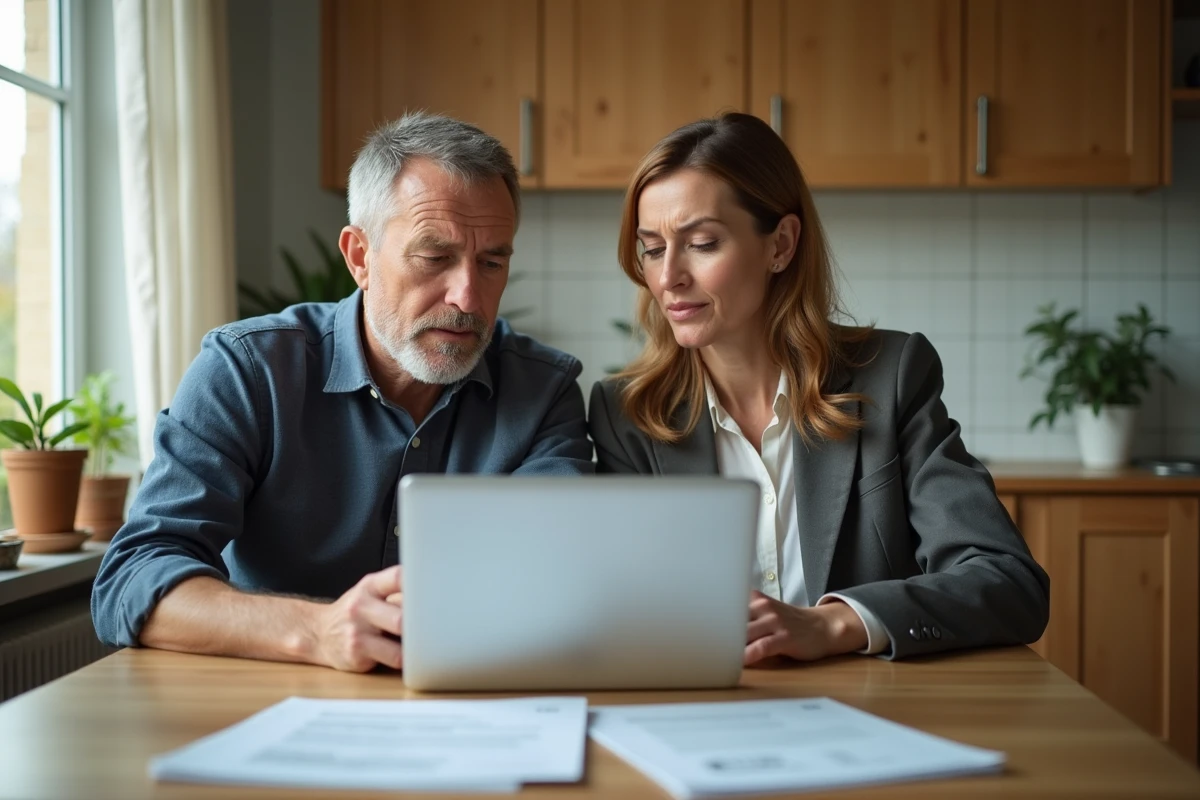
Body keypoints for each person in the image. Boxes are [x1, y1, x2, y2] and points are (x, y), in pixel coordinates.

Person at [93, 113, 593, 672]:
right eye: (434, 257)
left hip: (469, 703)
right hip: (261, 706)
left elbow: (559, 574)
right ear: (359, 257)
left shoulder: (544, 392)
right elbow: (131, 580)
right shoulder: (248, 372)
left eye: (492, 261)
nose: (469, 297)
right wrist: (317, 631)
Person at [588, 112, 1049, 664]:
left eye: (703, 243)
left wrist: (834, 623)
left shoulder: (892, 376)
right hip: (708, 716)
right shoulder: (627, 414)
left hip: (874, 713)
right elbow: (617, 609)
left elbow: (1008, 581)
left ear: (780, 245)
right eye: (653, 248)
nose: (668, 278)